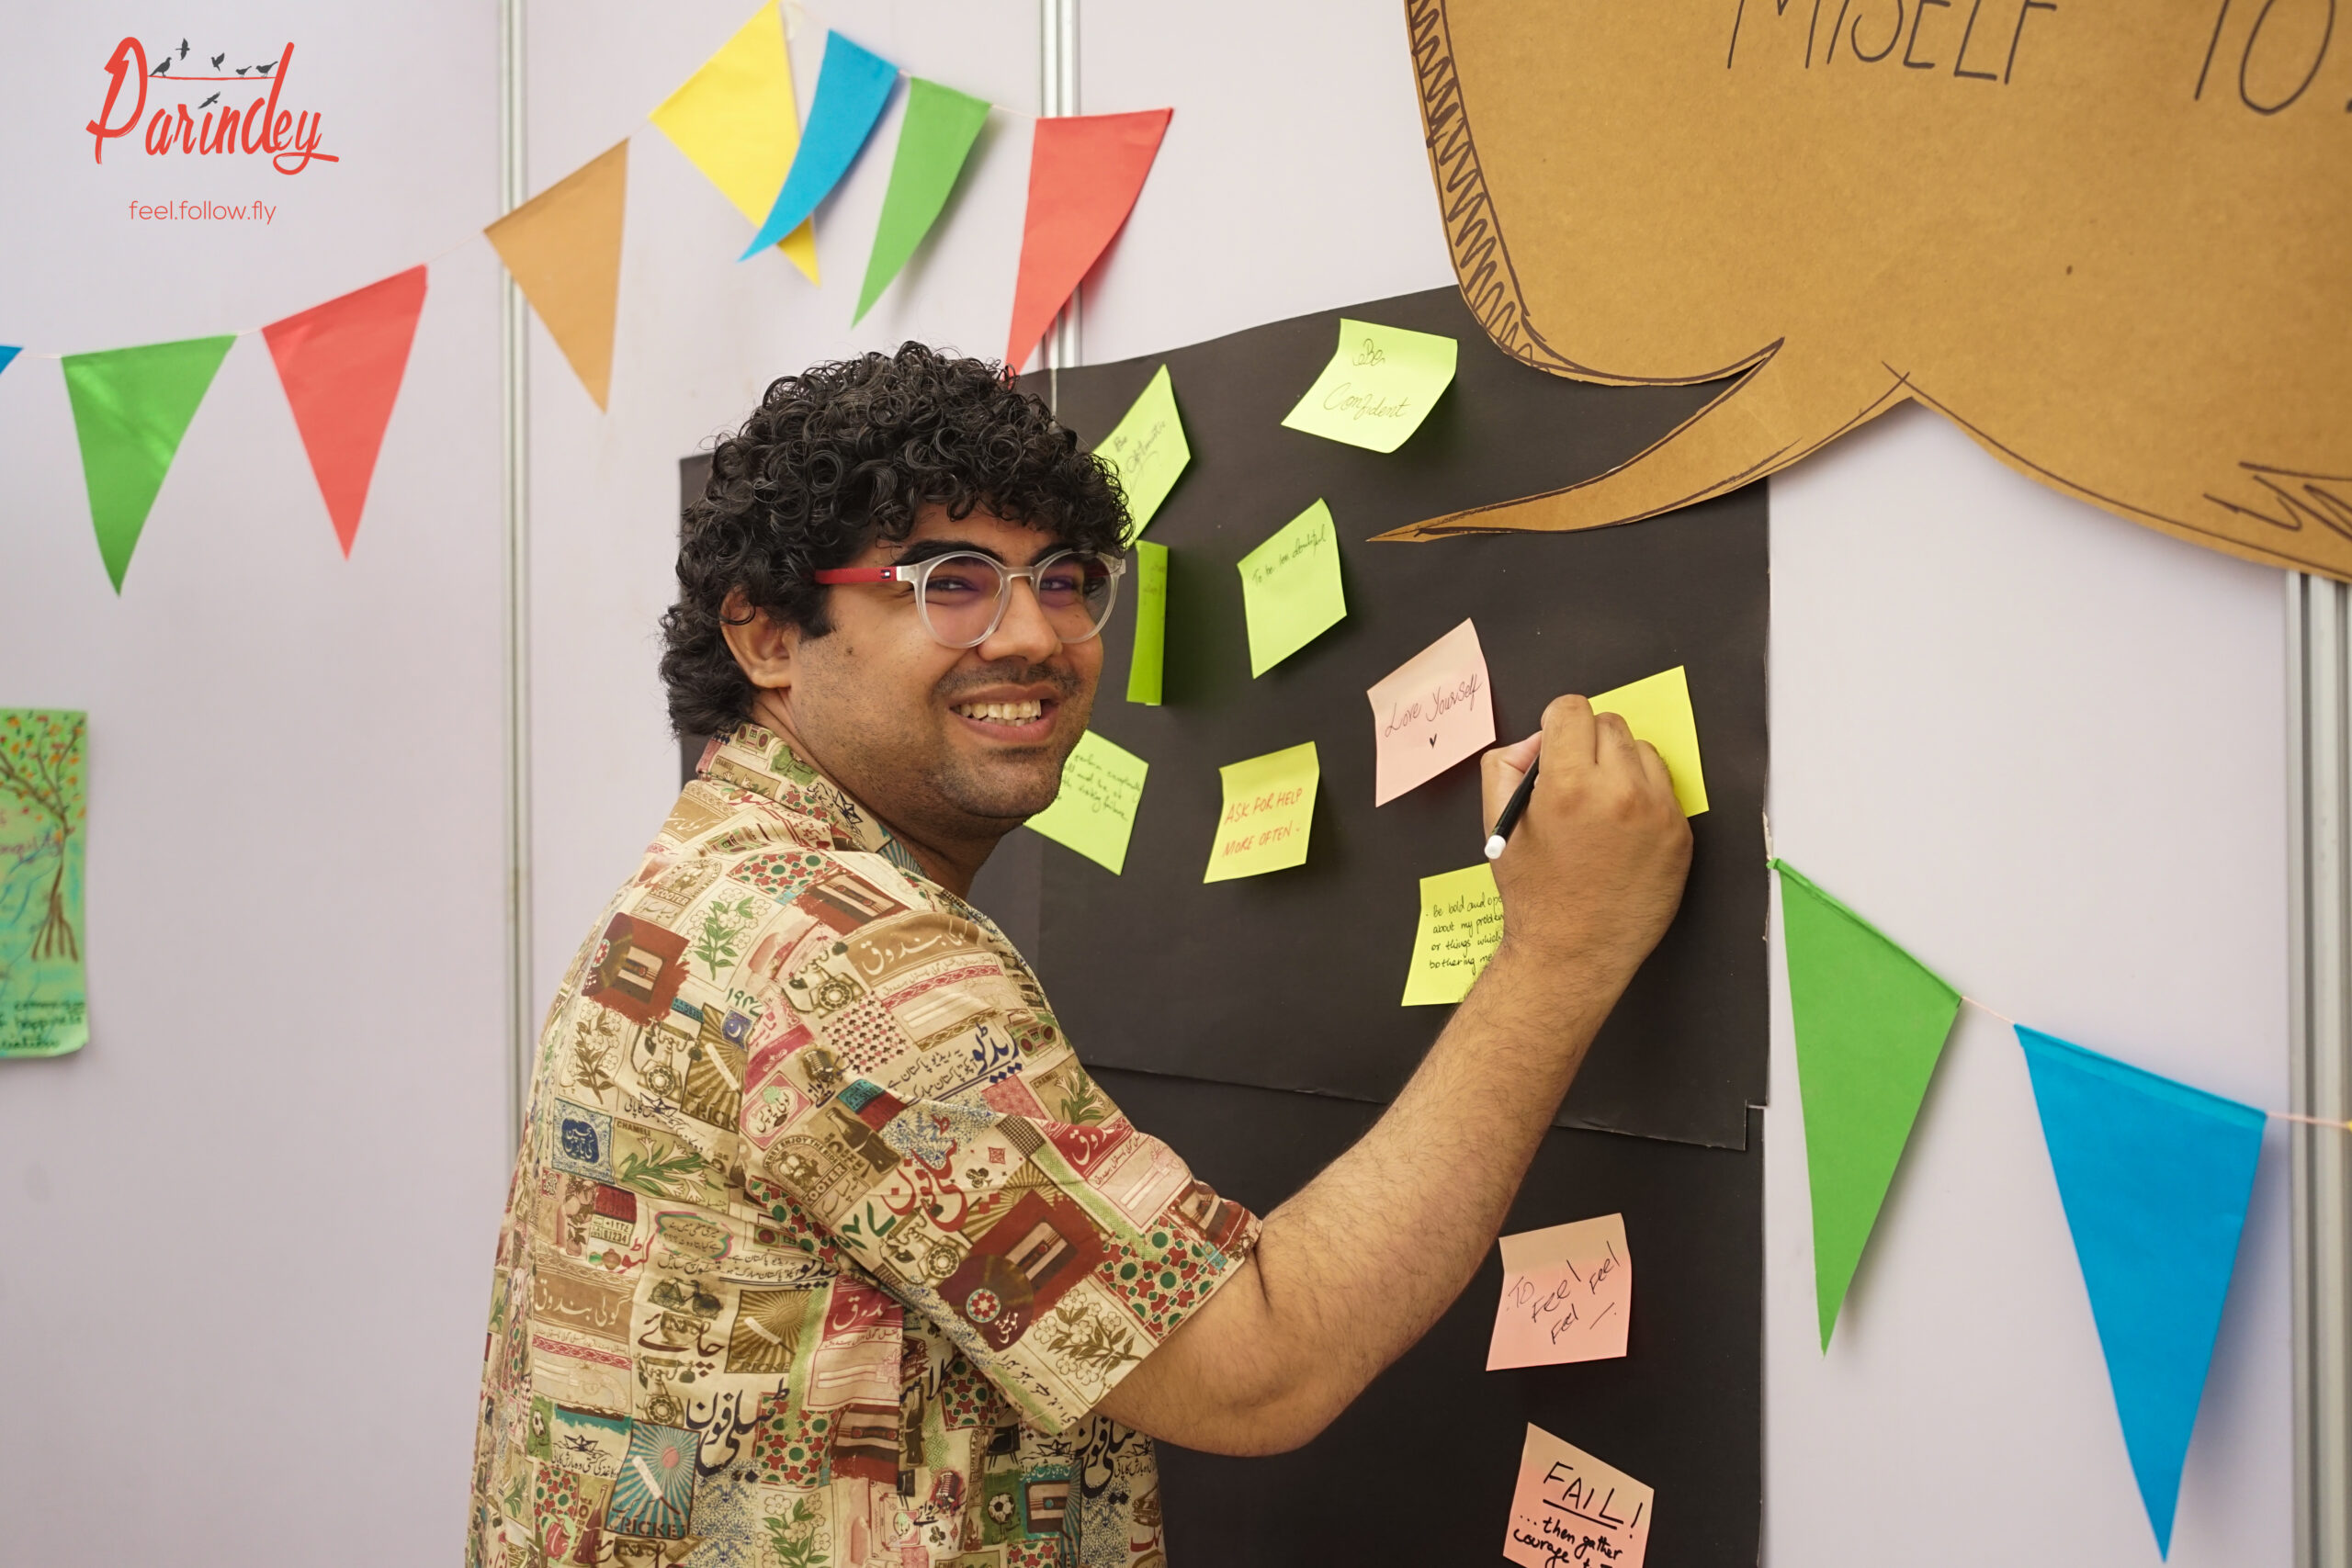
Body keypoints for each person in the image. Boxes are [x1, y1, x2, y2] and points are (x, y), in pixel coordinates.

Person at [467, 344, 1691, 1568]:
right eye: (949, 583)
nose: (1033, 635)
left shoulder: (718, 876)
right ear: (769, 634)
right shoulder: (849, 951)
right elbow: (1261, 1368)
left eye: (1063, 580)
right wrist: (1563, 948)